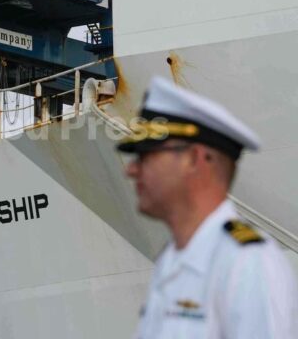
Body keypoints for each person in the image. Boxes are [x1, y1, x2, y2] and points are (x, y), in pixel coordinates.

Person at [117, 76, 298, 338]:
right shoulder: (172, 260)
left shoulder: (247, 264)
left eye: (146, 155)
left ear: (194, 159)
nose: (131, 170)